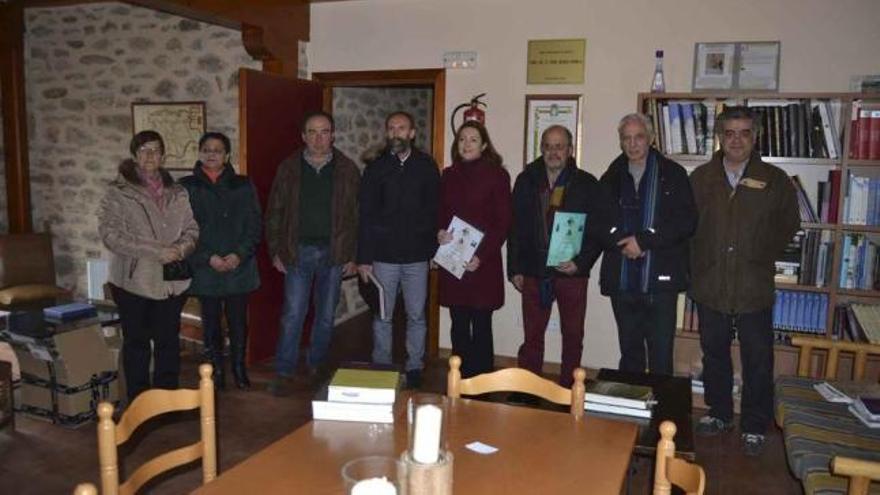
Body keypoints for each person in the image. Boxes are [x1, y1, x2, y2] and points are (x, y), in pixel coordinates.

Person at [689, 106, 799, 456]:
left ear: (755, 136)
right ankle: (719, 413)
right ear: (720, 136)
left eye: (744, 133)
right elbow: (688, 227)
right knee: (714, 355)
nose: (737, 140)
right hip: (711, 283)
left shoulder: (775, 180)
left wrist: (758, 253)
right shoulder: (700, 178)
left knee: (758, 358)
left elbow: (788, 225)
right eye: (730, 133)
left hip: (753, 284)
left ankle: (754, 424)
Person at [98, 130, 199, 402]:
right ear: (134, 155)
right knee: (137, 344)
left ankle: (166, 401)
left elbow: (191, 228)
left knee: (167, 343)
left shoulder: (177, 192)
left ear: (163, 156)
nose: (150, 155)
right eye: (143, 150)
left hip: (171, 282)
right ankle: (139, 403)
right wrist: (157, 252)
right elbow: (111, 235)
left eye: (155, 150)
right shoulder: (118, 192)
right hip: (134, 281)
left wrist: (180, 249)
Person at [265, 111, 360, 395]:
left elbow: (358, 216)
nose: (319, 138)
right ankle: (284, 370)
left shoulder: (347, 169)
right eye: (312, 132)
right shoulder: (288, 168)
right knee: (293, 313)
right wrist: (275, 250)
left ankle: (317, 364)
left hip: (334, 252)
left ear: (332, 135)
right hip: (298, 251)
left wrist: (353, 254)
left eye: (324, 131)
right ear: (303, 136)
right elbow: (274, 212)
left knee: (325, 315)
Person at [597, 113, 697, 376]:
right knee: (630, 352)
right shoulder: (610, 176)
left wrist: (642, 241)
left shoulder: (673, 174)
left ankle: (660, 414)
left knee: (661, 354)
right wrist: (621, 240)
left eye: (639, 137)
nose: (633, 144)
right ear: (620, 142)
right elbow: (599, 220)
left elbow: (685, 222)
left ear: (651, 138)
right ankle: (631, 412)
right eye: (626, 138)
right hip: (622, 279)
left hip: (660, 281)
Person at [508, 125, 602, 389]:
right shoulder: (526, 180)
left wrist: (581, 263)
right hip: (533, 270)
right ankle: (527, 388)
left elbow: (597, 232)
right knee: (532, 335)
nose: (553, 152)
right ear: (541, 149)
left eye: (559, 146)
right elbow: (514, 227)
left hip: (571, 272)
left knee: (572, 335)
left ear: (570, 150)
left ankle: (569, 388)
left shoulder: (586, 183)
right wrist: (514, 267)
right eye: (548, 146)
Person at [357, 111, 440, 389]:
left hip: (417, 257)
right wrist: (364, 258)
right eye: (391, 128)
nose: (396, 133)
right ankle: (381, 365)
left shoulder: (427, 167)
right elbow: (365, 215)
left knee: (416, 315)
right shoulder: (375, 168)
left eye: (402, 128)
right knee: (383, 315)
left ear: (412, 133)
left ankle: (414, 365)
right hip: (383, 257)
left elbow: (434, 212)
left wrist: (433, 253)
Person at [180, 132, 261, 390]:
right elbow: (182, 229)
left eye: (217, 149)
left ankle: (238, 368)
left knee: (238, 322)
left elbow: (254, 224)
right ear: (200, 153)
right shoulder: (187, 187)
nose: (212, 153)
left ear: (227, 155)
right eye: (207, 149)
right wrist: (208, 257)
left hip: (239, 266)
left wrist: (239, 254)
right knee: (211, 322)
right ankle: (215, 370)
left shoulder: (243, 184)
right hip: (206, 267)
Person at [436, 121, 511, 378]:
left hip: (483, 264)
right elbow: (440, 214)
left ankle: (481, 385)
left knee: (481, 326)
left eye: (473, 140)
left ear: (484, 145)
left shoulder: (498, 175)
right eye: (462, 140)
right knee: (458, 325)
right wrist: (440, 232)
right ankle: (459, 381)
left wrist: (481, 256)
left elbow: (503, 223)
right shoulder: (448, 175)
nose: (466, 144)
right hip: (454, 261)